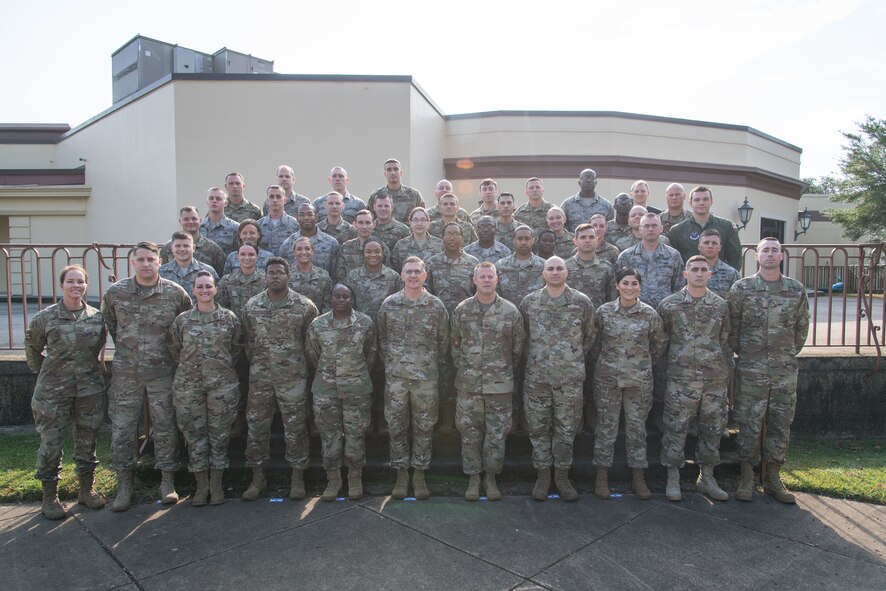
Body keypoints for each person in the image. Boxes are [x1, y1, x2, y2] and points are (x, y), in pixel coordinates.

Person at [102, 241, 192, 512]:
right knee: (122, 429)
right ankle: (124, 486)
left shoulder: (175, 293)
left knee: (165, 426)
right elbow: (112, 324)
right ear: (133, 263)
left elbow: (183, 327)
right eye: (140, 259)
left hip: (163, 372)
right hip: (126, 373)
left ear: (160, 261)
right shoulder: (116, 293)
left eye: (150, 259)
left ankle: (167, 481)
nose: (145, 264)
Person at [730, 238, 810, 504]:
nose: (770, 254)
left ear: (782, 256)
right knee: (749, 423)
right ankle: (746, 476)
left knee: (780, 423)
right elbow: (733, 326)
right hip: (751, 369)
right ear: (757, 256)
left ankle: (774, 477)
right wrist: (748, 353)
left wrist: (784, 353)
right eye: (765, 250)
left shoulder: (795, 290)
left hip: (784, 370)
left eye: (775, 250)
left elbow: (801, 327)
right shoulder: (742, 288)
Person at [25, 265, 108, 520]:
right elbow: (32, 349)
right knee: (51, 444)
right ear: (62, 285)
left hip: (88, 390)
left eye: (80, 282)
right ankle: (50, 497)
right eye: (71, 281)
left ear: (86, 285)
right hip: (53, 392)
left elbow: (97, 347)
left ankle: (86, 490)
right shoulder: (45, 317)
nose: (76, 286)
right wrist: (49, 375)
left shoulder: (96, 317)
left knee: (87, 441)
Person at [241, 257, 319, 501]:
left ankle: (297, 477)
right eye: (271, 272)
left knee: (295, 427)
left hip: (293, 378)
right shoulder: (252, 306)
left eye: (280, 272)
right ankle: (257, 477)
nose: (275, 276)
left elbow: (312, 343)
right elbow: (248, 342)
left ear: (289, 276)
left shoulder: (305, 306)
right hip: (261, 378)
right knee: (256, 427)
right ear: (265, 276)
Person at [520, 256, 597, 501]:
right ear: (543, 273)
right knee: (538, 428)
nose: (555, 272)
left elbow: (589, 337)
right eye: (550, 268)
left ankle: (562, 476)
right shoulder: (530, 302)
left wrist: (570, 359)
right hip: (537, 378)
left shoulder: (582, 303)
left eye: (559, 268)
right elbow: (523, 338)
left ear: (567, 271)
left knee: (566, 430)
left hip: (569, 380)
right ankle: (543, 476)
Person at [658, 256, 732, 502]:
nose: (699, 273)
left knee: (712, 428)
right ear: (685, 274)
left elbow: (725, 340)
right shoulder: (669, 305)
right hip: (682, 379)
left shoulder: (720, 306)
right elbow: (661, 342)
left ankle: (707, 477)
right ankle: (673, 477)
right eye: (694, 270)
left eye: (704, 270)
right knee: (675, 428)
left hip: (713, 379)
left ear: (710, 274)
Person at [451, 262, 526, 501]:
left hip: (499, 385)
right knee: (469, 433)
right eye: (481, 277)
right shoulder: (462, 310)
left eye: (490, 277)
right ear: (474, 280)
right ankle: (473, 478)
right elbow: (454, 345)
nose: (486, 280)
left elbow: (517, 348)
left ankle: (491, 477)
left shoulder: (510, 311)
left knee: (496, 434)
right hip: (469, 384)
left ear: (497, 280)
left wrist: (501, 370)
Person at [377, 257, 449, 500]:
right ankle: (400, 474)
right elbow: (382, 339)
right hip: (396, 379)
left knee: (424, 427)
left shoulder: (436, 306)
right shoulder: (390, 304)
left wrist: (427, 365)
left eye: (418, 271)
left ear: (425, 275)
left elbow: (443, 342)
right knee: (396, 427)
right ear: (401, 275)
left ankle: (419, 474)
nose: (413, 276)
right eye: (409, 272)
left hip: (425, 379)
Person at [592, 267, 667, 501]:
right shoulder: (604, 312)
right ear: (617, 285)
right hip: (608, 379)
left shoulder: (649, 314)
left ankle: (638, 478)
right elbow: (594, 343)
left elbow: (659, 344)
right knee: (606, 428)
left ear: (639, 286)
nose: (629, 287)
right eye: (625, 283)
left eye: (634, 283)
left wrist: (641, 363)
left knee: (637, 430)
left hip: (638, 380)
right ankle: (601, 477)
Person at [168, 271, 241, 507]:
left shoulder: (229, 318)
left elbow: (237, 347)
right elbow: (174, 348)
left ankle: (217, 484)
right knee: (194, 435)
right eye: (200, 287)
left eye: (208, 286)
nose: (205, 290)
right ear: (193, 290)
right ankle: (201, 486)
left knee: (219, 435)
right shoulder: (182, 321)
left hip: (222, 385)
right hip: (189, 386)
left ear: (216, 289)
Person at [306, 283, 378, 501]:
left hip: (356, 388)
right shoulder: (318, 324)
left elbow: (371, 354)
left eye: (345, 296)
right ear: (330, 298)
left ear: (351, 299)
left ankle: (355, 478)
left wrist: (353, 372)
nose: (341, 300)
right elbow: (313, 354)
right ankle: (333, 479)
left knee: (355, 435)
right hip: (326, 389)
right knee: (330, 436)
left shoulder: (364, 323)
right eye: (337, 296)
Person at [426, 223, 479, 434]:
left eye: (457, 234)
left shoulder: (472, 263)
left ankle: (466, 418)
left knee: (465, 370)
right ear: (442, 237)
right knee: (443, 372)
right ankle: (445, 418)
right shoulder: (431, 264)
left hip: (466, 328)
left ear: (463, 238)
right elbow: (427, 295)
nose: (452, 238)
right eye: (448, 234)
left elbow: (478, 296)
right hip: (438, 326)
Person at [615, 213, 685, 308]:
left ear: (661, 228)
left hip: (666, 311)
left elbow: (679, 288)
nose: (650, 229)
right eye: (647, 226)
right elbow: (619, 288)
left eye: (654, 225)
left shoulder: (673, 256)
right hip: (636, 313)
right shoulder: (626, 256)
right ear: (640, 230)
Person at [669, 185, 743, 270]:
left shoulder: (727, 227)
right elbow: (674, 261)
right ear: (690, 203)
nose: (701, 203)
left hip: (720, 280)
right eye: (697, 200)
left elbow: (735, 259)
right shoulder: (677, 230)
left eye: (705, 199)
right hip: (689, 281)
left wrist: (727, 279)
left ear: (711, 201)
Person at [160, 205, 226, 276]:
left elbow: (220, 275)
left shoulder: (213, 248)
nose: (190, 222)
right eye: (186, 219)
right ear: (180, 221)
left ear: (200, 221)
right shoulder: (167, 248)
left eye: (194, 219)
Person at [278, 203, 339, 278]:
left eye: (310, 214)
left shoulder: (331, 243)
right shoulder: (287, 244)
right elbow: (283, 273)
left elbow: (335, 274)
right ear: (296, 218)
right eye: (302, 215)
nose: (306, 218)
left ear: (316, 217)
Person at [565, 224, 615, 309]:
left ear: (596, 240)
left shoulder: (606, 267)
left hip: (598, 316)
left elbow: (612, 299)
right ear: (575, 241)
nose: (587, 240)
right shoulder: (565, 267)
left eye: (591, 237)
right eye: (583, 237)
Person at [159, 231, 219, 302]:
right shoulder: (161, 272)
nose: (182, 249)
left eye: (186, 246)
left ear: (193, 248)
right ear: (172, 248)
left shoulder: (208, 271)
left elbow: (217, 298)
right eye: (178, 246)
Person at [336, 209, 391, 283]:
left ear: (373, 225)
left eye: (368, 223)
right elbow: (340, 276)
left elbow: (389, 274)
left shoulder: (382, 247)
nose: (364, 227)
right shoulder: (345, 247)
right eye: (360, 223)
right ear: (355, 225)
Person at [367, 158, 426, 223]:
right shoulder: (376, 195)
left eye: (396, 169)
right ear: (385, 174)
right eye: (389, 170)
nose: (393, 173)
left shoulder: (414, 195)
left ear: (401, 172)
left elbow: (423, 218)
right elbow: (369, 220)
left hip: (408, 232)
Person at [288, 236, 333, 314]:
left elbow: (328, 304)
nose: (304, 252)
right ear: (294, 252)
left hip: (317, 323)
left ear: (312, 251)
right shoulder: (287, 275)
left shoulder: (323, 276)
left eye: (307, 248)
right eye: (299, 249)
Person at [391, 206, 443, 272]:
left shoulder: (439, 244)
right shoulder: (401, 246)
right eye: (415, 220)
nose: (419, 224)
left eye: (423, 220)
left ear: (428, 222)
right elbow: (397, 270)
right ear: (410, 222)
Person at [256, 185, 300, 255]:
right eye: (271, 197)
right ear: (267, 201)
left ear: (285, 200)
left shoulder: (295, 224)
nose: (275, 200)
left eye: (278, 197)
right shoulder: (258, 226)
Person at [698, 228, 741, 298]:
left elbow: (737, 301)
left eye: (714, 243)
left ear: (720, 247)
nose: (710, 246)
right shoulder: (690, 271)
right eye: (706, 243)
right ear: (699, 247)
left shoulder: (732, 273)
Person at [201, 187, 239, 255]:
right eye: (211, 198)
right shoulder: (199, 226)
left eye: (218, 199)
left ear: (225, 203)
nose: (214, 201)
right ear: (206, 202)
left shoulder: (235, 227)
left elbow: (237, 254)